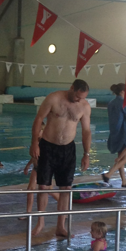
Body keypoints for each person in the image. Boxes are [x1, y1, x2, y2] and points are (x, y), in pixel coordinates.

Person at [29, 79, 92, 238]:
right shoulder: (54, 98)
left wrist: (86, 154)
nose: (79, 100)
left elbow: (86, 131)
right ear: (71, 88)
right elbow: (38, 119)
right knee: (43, 186)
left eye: (82, 97)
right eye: (77, 96)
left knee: (66, 189)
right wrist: (34, 143)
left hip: (68, 149)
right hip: (48, 146)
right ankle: (40, 222)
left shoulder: (84, 106)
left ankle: (60, 226)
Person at [102, 83, 126, 186]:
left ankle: (124, 181)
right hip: (125, 133)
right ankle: (109, 174)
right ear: (122, 92)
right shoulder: (125, 103)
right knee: (125, 158)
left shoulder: (111, 103)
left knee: (120, 157)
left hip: (115, 132)